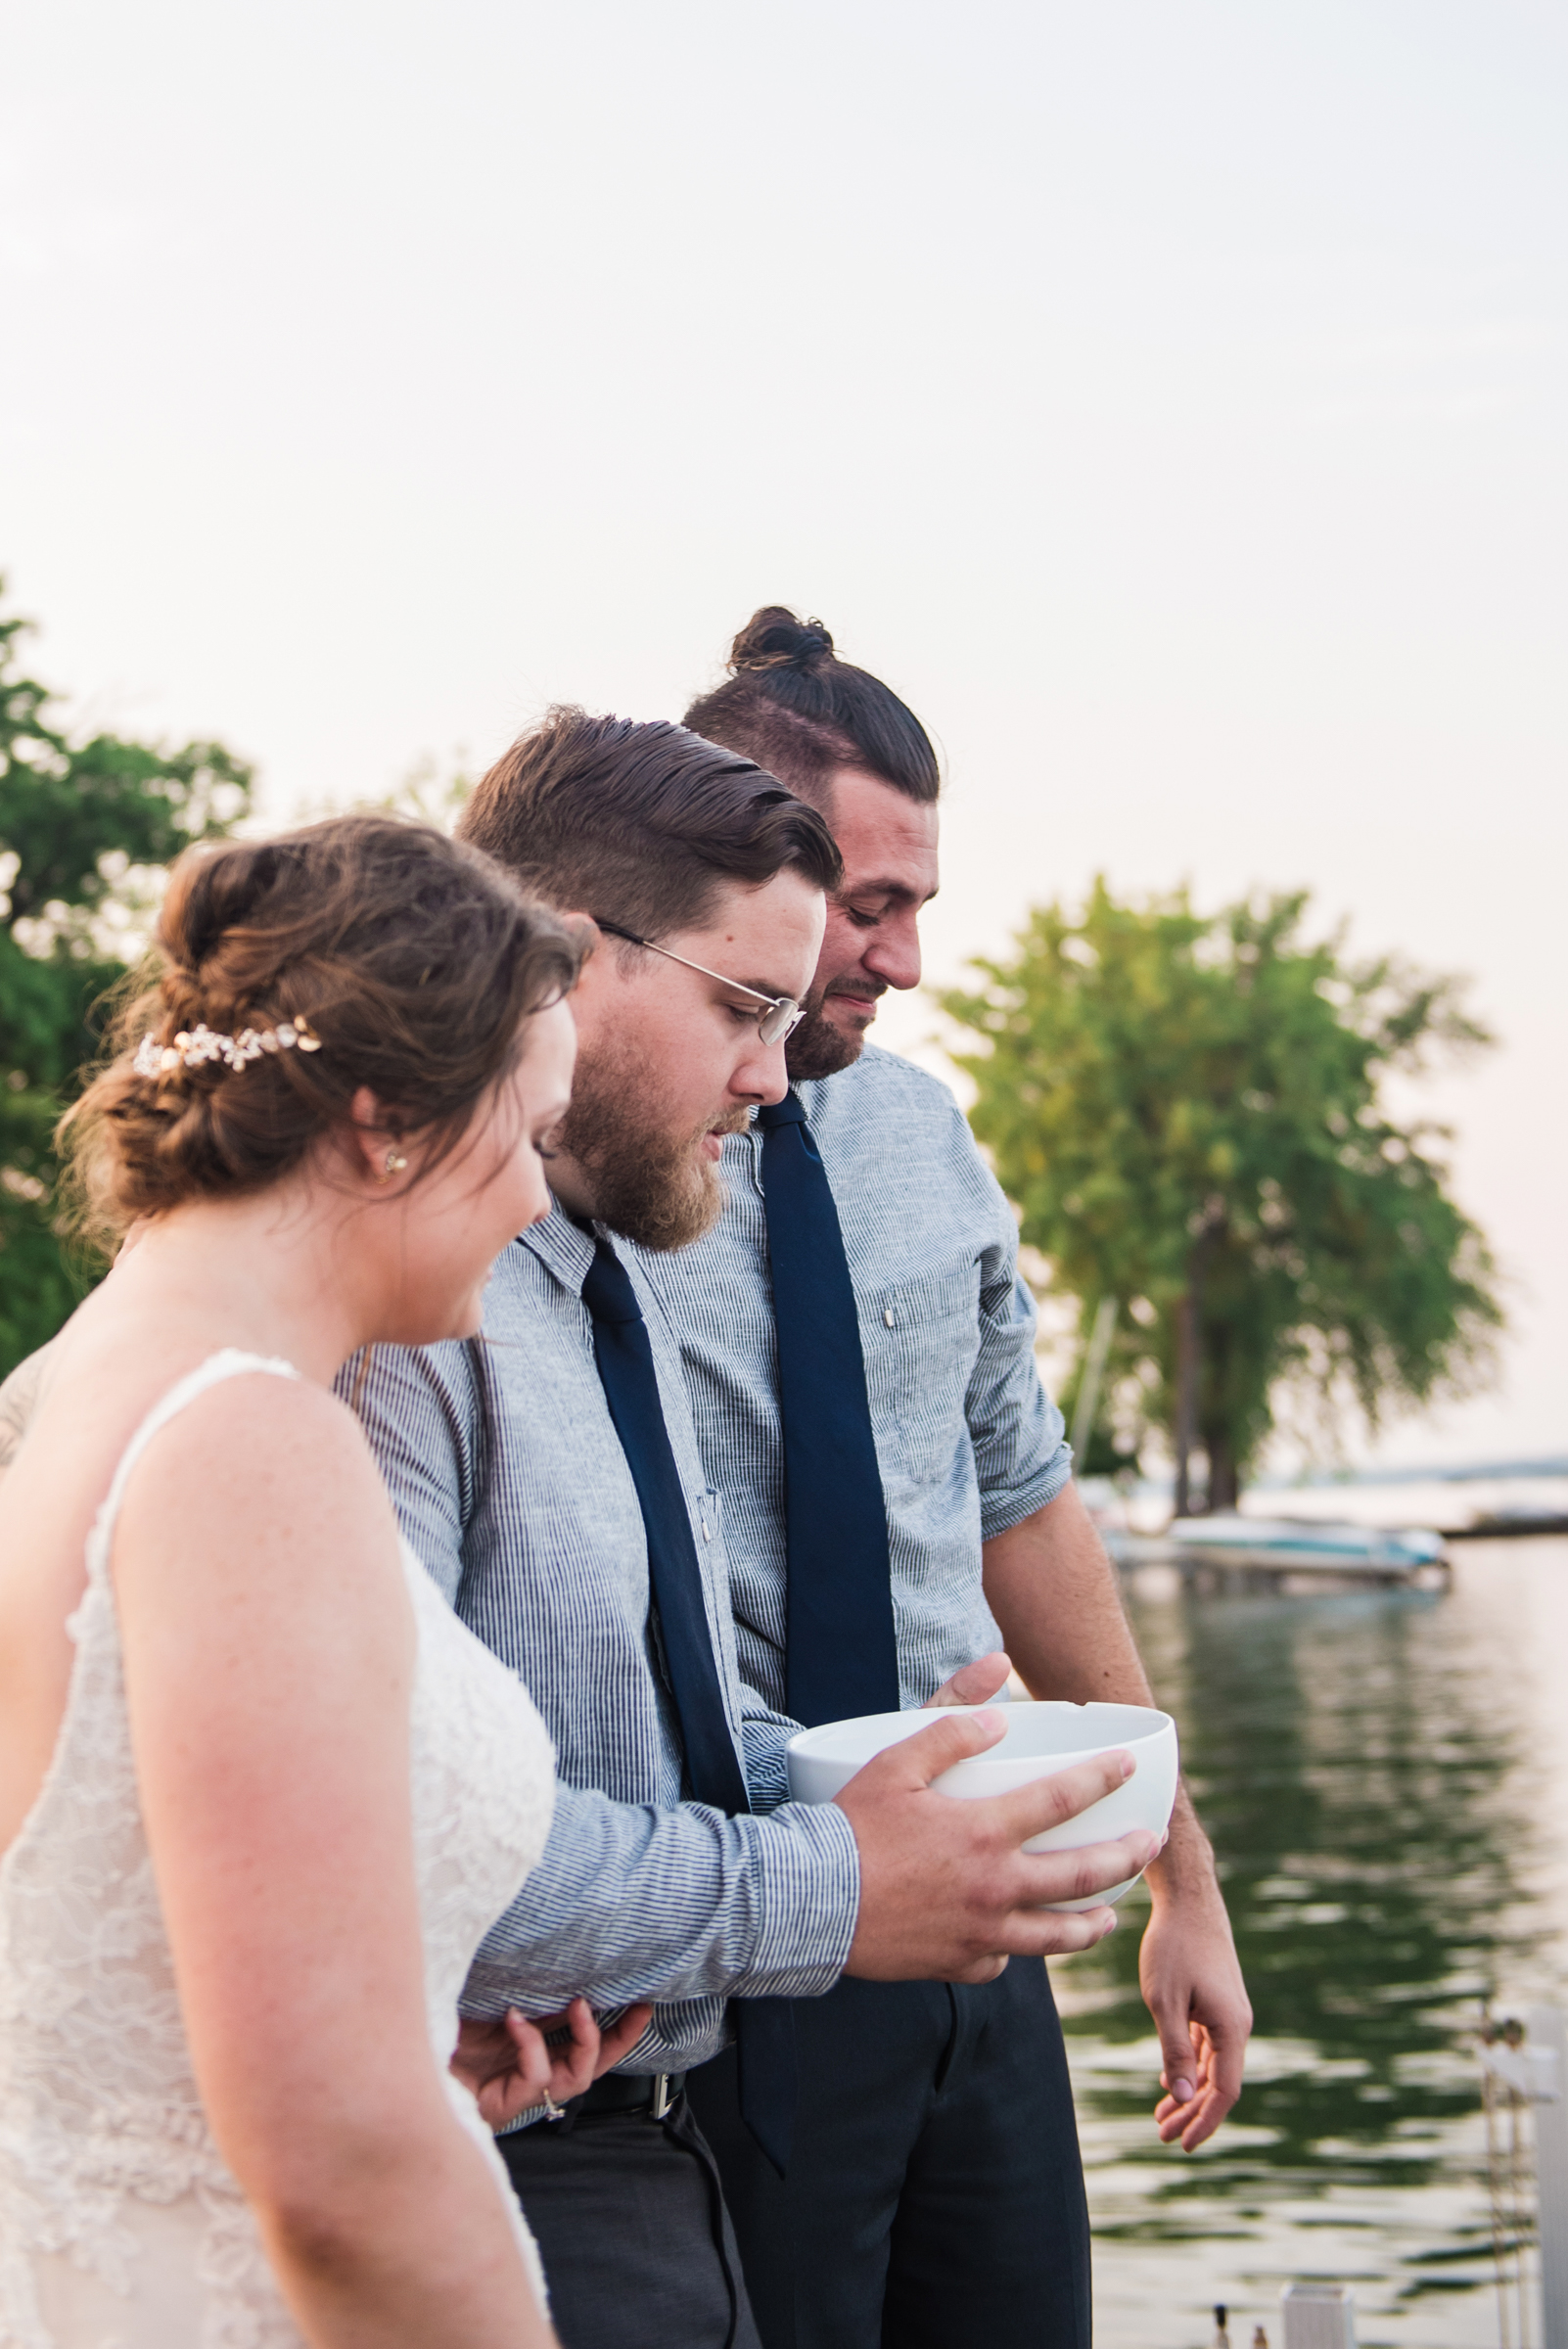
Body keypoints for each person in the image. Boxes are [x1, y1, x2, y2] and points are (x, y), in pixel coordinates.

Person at [347, 709, 1161, 2349]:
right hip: (564, 2124)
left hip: (661, 2089)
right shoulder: (389, 1327)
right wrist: (834, 1879)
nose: (773, 1076)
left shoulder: (602, 1279)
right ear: (573, 962)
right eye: (746, 1004)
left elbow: (637, 1704)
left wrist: (866, 1783)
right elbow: (406, 1853)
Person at [623, 608, 1255, 2349]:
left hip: (980, 1948)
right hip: (737, 1956)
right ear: (735, 856)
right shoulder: (589, 1160)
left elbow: (1022, 1506)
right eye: (869, 906)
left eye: (918, 908)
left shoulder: (924, 1143)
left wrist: (1175, 1877)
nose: (900, 962)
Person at [0, 813, 652, 2349]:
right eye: (530, 1132)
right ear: (385, 1120)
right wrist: (363, 2115)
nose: (536, 1201)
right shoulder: (251, 1447)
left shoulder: (72, 1390)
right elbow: (340, 2175)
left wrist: (394, 2054)